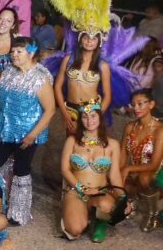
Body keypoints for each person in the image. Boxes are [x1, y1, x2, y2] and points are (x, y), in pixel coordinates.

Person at [0, 37, 55, 225]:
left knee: (21, 170)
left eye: (19, 51)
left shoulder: (40, 78)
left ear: (31, 53)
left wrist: (32, 135)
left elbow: (50, 110)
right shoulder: (8, 72)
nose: (14, 55)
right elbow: (2, 104)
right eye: (13, 51)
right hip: (5, 129)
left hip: (28, 133)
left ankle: (18, 213)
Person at [59, 103, 128, 242]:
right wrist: (83, 189)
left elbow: (114, 175)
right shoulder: (72, 141)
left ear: (100, 118)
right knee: (74, 230)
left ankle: (100, 222)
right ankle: (82, 216)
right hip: (76, 191)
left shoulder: (112, 144)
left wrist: (123, 197)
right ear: (80, 120)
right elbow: (64, 170)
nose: (89, 121)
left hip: (100, 191)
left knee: (106, 205)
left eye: (93, 116)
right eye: (85, 117)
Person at [120, 89, 163, 231]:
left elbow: (154, 164)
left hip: (157, 172)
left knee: (144, 178)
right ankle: (133, 201)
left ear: (151, 104)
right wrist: (118, 173)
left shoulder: (160, 129)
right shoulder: (130, 127)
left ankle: (153, 214)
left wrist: (128, 168)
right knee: (114, 177)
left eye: (140, 104)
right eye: (133, 105)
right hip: (135, 170)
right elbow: (122, 154)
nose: (136, 108)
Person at [54, 30, 113, 134]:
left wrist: (95, 116)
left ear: (99, 42)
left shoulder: (103, 66)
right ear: (80, 39)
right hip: (71, 108)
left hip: (92, 108)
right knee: (71, 138)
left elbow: (107, 95)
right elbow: (57, 86)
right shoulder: (68, 60)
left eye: (94, 38)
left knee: (88, 141)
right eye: (86, 38)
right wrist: (64, 112)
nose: (89, 41)